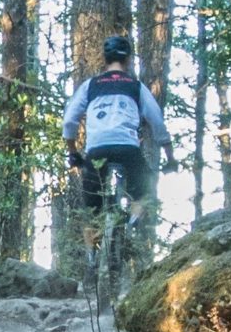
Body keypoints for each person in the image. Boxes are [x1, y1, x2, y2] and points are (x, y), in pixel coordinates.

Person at [62, 36, 175, 229]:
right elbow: (157, 121)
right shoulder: (136, 86)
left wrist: (73, 152)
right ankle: (134, 219)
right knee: (144, 189)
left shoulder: (90, 85)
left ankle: (92, 255)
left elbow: (69, 121)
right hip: (128, 148)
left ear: (104, 59)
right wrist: (170, 157)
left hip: (96, 149)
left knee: (91, 209)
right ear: (128, 60)